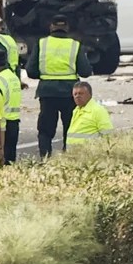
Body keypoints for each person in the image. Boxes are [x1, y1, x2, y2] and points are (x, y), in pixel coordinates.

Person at [27, 13, 91, 157]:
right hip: (70, 93)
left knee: (45, 129)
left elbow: (31, 71)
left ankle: (46, 158)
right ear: (67, 27)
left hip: (47, 92)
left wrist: (45, 75)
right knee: (70, 127)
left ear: (51, 27)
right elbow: (85, 71)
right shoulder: (75, 45)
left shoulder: (41, 43)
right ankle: (68, 157)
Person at [0, 46, 24, 164]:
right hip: (14, 122)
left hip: (3, 126)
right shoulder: (13, 77)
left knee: (0, 160)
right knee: (10, 161)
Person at [66, 81, 112, 146]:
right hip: (75, 153)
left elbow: (108, 135)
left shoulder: (98, 110)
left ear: (90, 94)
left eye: (81, 93)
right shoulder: (76, 110)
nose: (77, 96)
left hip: (90, 153)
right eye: (75, 94)